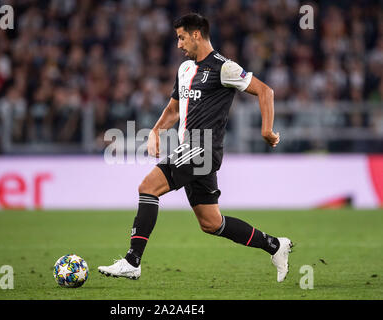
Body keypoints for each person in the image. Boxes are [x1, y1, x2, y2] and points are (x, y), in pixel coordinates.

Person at [98, 13, 293, 283]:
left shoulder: (225, 68)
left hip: (203, 149)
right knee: (211, 223)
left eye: (181, 37)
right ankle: (275, 245)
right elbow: (174, 109)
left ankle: (133, 261)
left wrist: (267, 130)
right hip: (188, 149)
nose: (178, 45)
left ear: (196, 35)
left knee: (147, 187)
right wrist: (155, 132)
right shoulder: (185, 70)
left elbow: (266, 91)